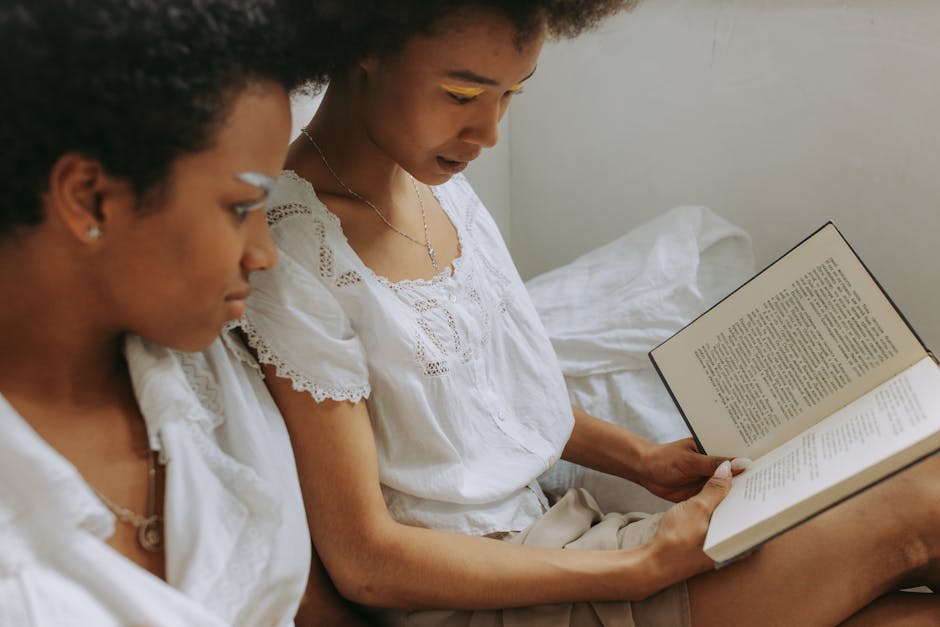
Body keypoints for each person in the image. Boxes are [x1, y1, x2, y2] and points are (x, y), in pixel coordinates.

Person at [242, 1, 940, 624]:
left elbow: (489, 400)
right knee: (924, 506)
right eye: (461, 93)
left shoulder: (438, 186)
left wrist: (643, 460)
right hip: (494, 599)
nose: (487, 130)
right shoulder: (291, 254)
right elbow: (366, 559)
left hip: (563, 543)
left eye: (512, 94)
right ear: (367, 38)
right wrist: (641, 565)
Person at [0, 1, 367, 625]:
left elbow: (307, 604)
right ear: (90, 198)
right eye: (241, 206)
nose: (266, 255)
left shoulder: (214, 376)